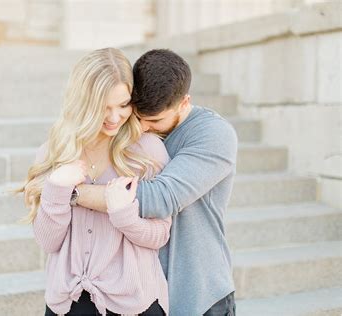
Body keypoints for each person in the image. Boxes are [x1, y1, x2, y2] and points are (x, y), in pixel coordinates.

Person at [75, 49, 238, 316]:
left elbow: (161, 197)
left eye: (154, 121)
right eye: (137, 116)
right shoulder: (127, 127)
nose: (142, 128)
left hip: (197, 293)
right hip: (141, 294)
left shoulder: (214, 134)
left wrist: (72, 193)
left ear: (185, 102)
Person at [18, 48, 171, 315]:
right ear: (83, 103)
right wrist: (56, 188)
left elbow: (160, 235)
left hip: (133, 303)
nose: (114, 118)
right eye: (103, 108)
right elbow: (48, 242)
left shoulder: (147, 152)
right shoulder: (54, 152)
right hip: (68, 302)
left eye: (123, 105)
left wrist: (123, 214)